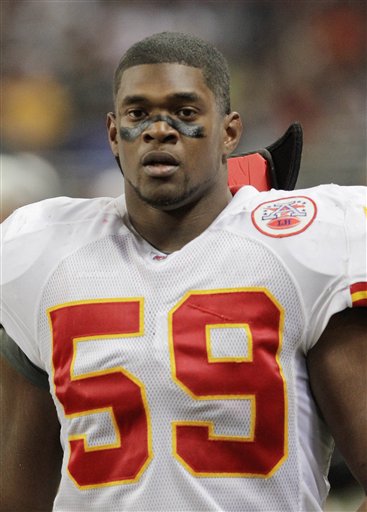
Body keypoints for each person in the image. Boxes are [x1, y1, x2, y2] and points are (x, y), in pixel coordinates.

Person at [0, 32, 366, 512]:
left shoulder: (301, 248)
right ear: (113, 133)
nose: (159, 129)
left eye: (186, 112)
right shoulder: (38, 252)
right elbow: (16, 492)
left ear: (230, 133)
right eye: (138, 114)